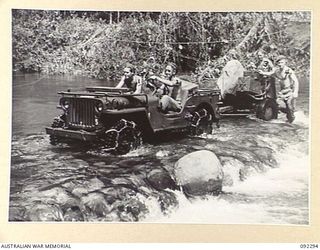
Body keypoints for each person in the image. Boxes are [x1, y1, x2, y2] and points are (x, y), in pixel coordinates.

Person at [274, 55, 299, 123]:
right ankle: (290, 113)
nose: (280, 64)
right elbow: (271, 74)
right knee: (277, 103)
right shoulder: (277, 71)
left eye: (282, 62)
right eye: (279, 63)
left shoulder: (288, 70)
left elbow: (295, 81)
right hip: (282, 92)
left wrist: (295, 92)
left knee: (288, 104)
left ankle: (291, 119)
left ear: (285, 63)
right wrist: (263, 73)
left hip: (290, 91)